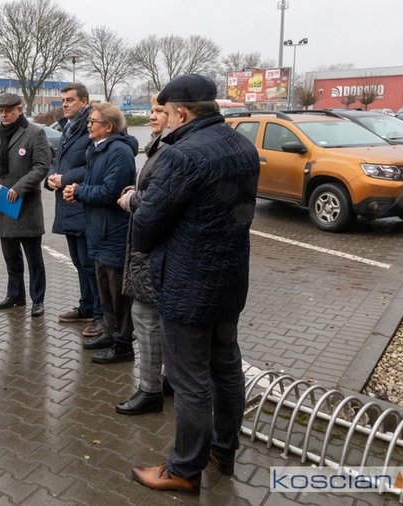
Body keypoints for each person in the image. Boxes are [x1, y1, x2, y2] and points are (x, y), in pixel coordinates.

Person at [130, 74, 259, 494]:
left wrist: (138, 211)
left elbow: (147, 225)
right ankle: (224, 449)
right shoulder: (242, 144)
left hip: (187, 283)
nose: (163, 119)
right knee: (226, 367)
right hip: (230, 280)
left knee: (190, 381)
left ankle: (185, 469)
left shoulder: (181, 155)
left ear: (182, 112)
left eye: (166, 112)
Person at [63, 103, 137, 364]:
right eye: (89, 121)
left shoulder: (119, 152)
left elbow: (109, 192)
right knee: (105, 291)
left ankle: (123, 345)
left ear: (109, 126)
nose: (89, 125)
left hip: (113, 233)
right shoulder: (97, 150)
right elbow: (94, 184)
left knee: (118, 294)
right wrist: (77, 189)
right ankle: (110, 332)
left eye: (93, 122)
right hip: (98, 230)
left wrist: (79, 192)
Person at [115, 97, 170, 415]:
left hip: (152, 249)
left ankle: (150, 389)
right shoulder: (159, 144)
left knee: (146, 317)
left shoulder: (170, 150)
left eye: (161, 111)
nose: (153, 116)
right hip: (150, 248)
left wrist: (134, 198)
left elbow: (160, 199)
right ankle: (164, 381)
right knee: (151, 317)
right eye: (151, 110)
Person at [0, 93, 51, 317]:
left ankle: (37, 300)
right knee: (10, 257)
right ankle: (16, 296)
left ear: (19, 110)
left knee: (34, 258)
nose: (4, 115)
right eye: (1, 111)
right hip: (3, 206)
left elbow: (41, 166)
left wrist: (19, 188)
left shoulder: (35, 133)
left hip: (26, 206)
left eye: (8, 111)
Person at [44, 83, 104, 338]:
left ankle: (102, 316)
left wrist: (64, 178)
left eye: (70, 100)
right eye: (63, 100)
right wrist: (50, 177)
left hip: (82, 204)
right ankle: (86, 306)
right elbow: (56, 162)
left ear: (84, 101)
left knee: (90, 264)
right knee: (79, 262)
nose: (65, 104)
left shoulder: (90, 130)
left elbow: (93, 166)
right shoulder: (68, 128)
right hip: (67, 204)